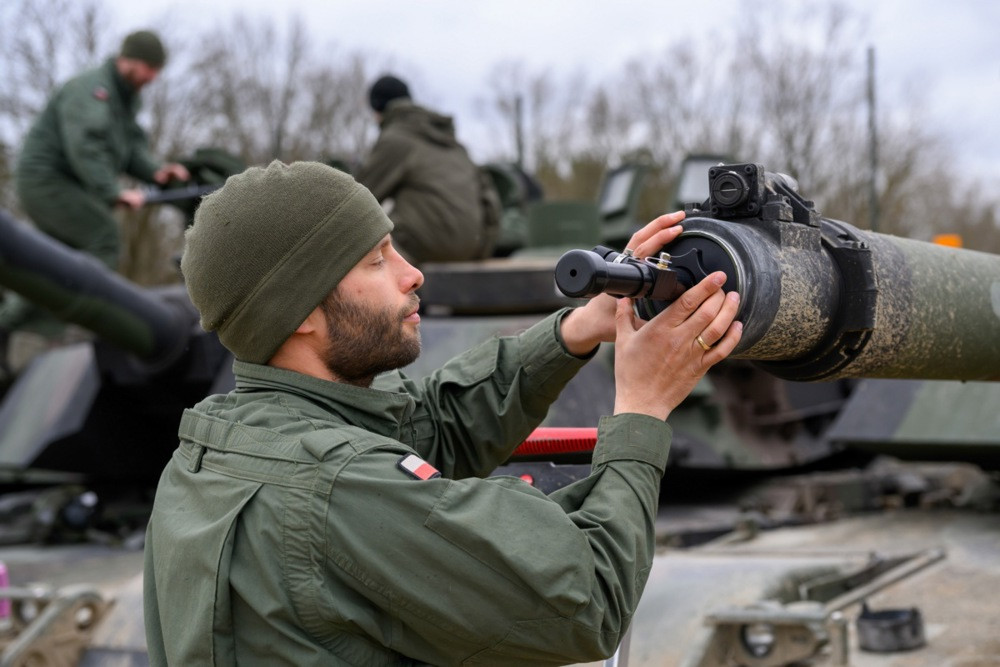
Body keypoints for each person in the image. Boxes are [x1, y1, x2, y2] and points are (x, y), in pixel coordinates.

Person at [143, 160, 742, 666]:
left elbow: (424, 429)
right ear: (298, 311)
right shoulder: (338, 489)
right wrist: (642, 408)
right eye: (377, 261)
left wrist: (577, 331)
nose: (413, 273)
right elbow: (586, 596)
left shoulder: (216, 441)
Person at [0, 30, 190, 367]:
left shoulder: (125, 98)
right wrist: (112, 191)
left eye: (156, 70)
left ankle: (11, 325)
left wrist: (156, 172)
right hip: (47, 180)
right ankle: (74, 322)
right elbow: (86, 146)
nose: (152, 77)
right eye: (149, 68)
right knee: (101, 236)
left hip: (71, 185)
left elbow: (129, 148)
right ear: (128, 60)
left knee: (51, 260)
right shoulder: (92, 91)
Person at [356, 74, 499, 265]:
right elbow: (489, 198)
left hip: (425, 247)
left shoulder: (397, 139)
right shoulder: (451, 141)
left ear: (378, 110)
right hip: (473, 247)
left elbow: (359, 198)